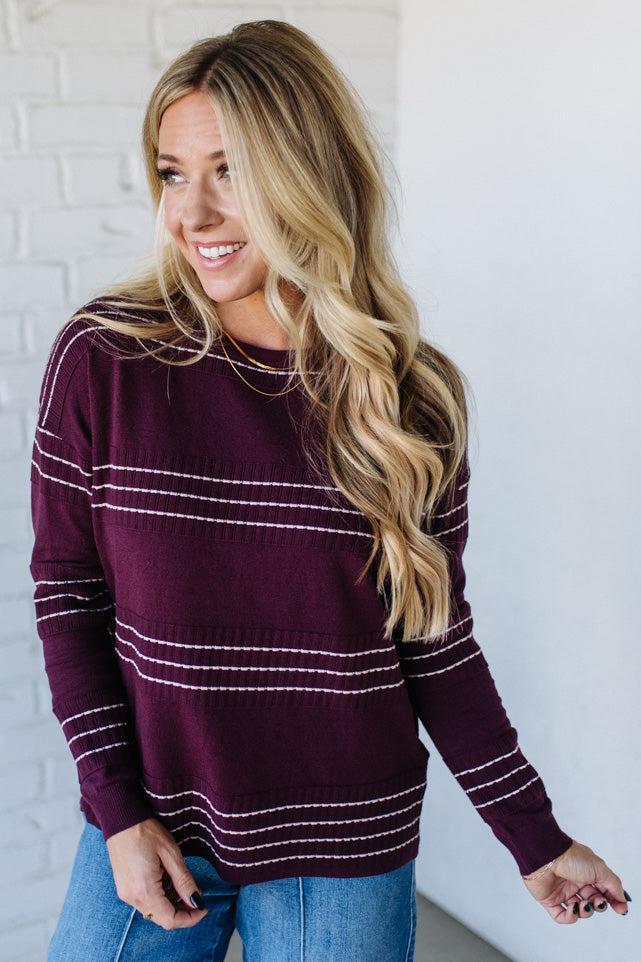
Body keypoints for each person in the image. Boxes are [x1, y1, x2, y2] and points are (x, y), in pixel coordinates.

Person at [29, 19, 630, 962]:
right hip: (158, 819)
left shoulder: (407, 396)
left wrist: (533, 838)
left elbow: (434, 642)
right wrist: (115, 811)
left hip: (347, 837)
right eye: (173, 172)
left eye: (229, 170)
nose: (193, 214)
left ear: (309, 173)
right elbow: (70, 599)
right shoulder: (107, 360)